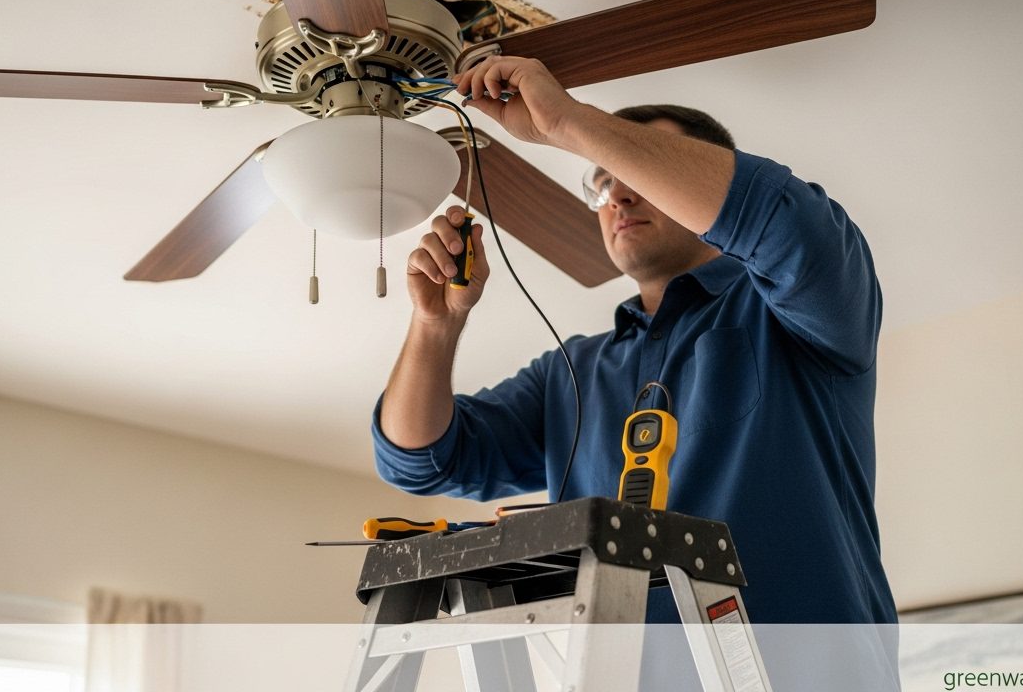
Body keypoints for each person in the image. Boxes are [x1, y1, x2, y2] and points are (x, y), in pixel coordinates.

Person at [370, 56, 898, 688]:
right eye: (601, 181)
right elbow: (419, 458)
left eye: (638, 169)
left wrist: (569, 122)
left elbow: (791, 226)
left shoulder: (795, 315)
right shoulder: (571, 371)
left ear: (696, 183)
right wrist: (435, 325)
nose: (614, 192)